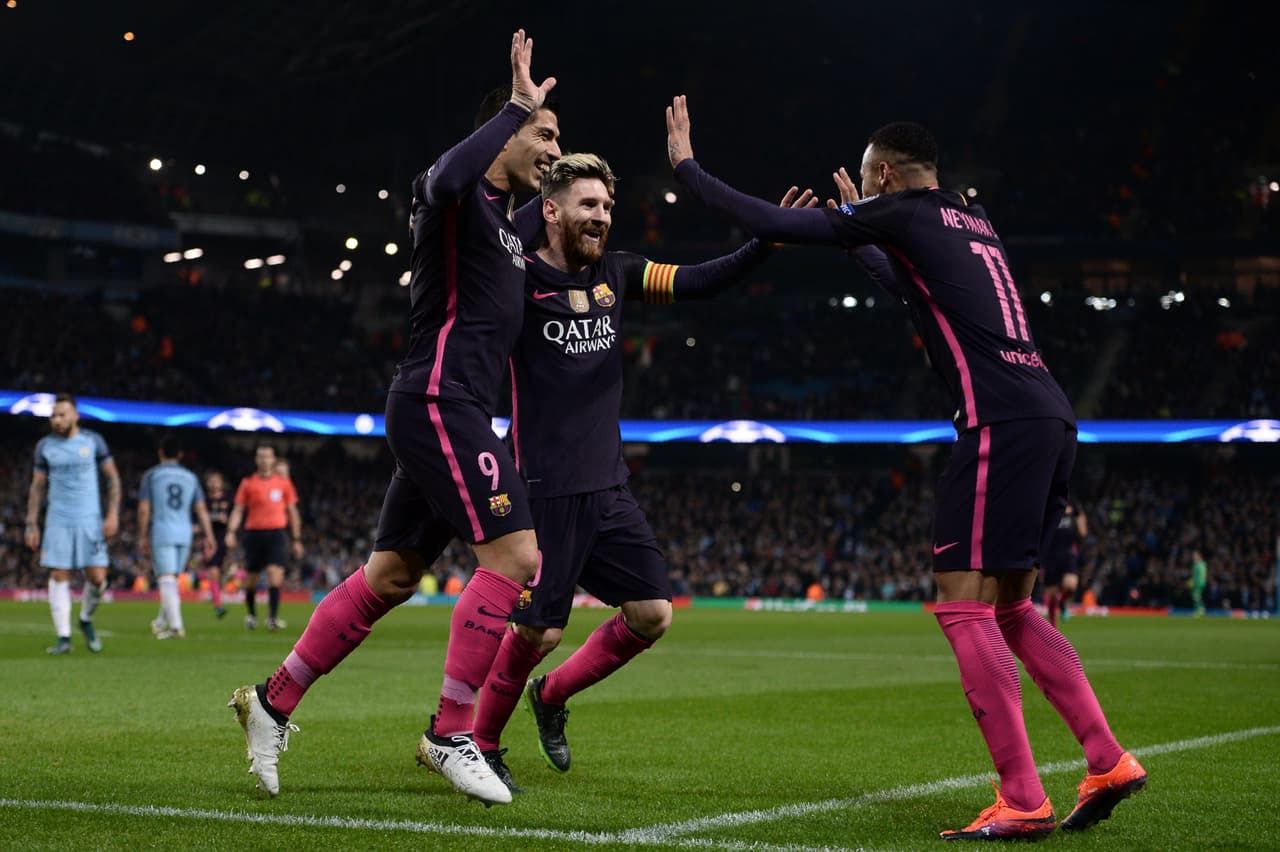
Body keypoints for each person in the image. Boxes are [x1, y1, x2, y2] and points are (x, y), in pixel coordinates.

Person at [664, 96, 1147, 839]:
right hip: (1050, 412)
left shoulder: (905, 211)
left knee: (961, 601)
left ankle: (1021, 796)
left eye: (866, 182)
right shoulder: (969, 218)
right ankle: (1107, 758)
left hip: (1000, 422)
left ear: (884, 174)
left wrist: (689, 170)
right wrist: (865, 235)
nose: (861, 192)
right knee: (1013, 607)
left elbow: (776, 223)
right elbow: (911, 287)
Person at [229, 29, 559, 806]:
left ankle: (272, 702)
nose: (551, 145)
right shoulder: (456, 200)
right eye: (542, 133)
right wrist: (515, 102)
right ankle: (451, 732)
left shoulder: (506, 229)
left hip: (450, 410)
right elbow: (441, 179)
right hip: (440, 402)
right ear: (503, 132)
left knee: (393, 574)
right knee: (516, 559)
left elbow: (555, 221)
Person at [469, 153, 812, 792]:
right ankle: (481, 744)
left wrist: (766, 241)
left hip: (608, 486)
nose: (601, 216)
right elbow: (490, 242)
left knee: (652, 613)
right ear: (551, 210)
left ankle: (550, 697)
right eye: (587, 205)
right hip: (544, 488)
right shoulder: (516, 277)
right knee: (537, 629)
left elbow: (702, 281)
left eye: (605, 205)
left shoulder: (620, 273)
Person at [24, 393, 121, 655]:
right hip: (58, 518)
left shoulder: (93, 441)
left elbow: (113, 479)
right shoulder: (45, 446)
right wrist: (31, 523)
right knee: (58, 575)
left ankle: (85, 618)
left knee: (98, 579)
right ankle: (64, 637)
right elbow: (37, 487)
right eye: (53, 415)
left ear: (75, 415)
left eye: (62, 414)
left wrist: (112, 514)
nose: (56, 420)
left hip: (90, 519)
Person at [138, 435, 216, 639]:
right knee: (172, 579)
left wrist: (142, 535)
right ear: (180, 455)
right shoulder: (190, 477)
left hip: (163, 530)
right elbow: (201, 509)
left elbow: (144, 509)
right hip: (185, 532)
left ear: (160, 452)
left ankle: (176, 627)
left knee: (166, 578)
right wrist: (209, 535)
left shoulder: (152, 475)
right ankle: (162, 621)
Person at [224, 443, 302, 631]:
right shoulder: (248, 483)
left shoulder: (284, 484)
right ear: (256, 460)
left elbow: (293, 511)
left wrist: (297, 538)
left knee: (275, 576)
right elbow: (238, 509)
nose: (264, 460)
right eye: (261, 456)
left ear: (273, 460)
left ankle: (272, 618)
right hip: (254, 534)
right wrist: (231, 531)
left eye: (268, 456)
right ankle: (251, 615)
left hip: (277, 533)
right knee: (252, 579)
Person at [1042, 499, 1086, 627]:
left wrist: (1082, 526)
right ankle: (1053, 626)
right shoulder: (1047, 502)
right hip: (1050, 553)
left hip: (1068, 552)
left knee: (1071, 585)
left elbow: (1082, 529)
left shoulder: (1073, 504)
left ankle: (1062, 602)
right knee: (1052, 595)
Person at [204, 470, 233, 618]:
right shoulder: (204, 501)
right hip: (209, 540)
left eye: (216, 480)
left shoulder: (228, 499)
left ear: (221, 483)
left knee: (221, 571)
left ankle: (216, 595)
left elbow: (234, 518)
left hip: (224, 539)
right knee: (213, 570)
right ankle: (218, 606)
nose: (213, 483)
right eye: (211, 480)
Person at [1190, 548, 1207, 616]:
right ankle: (1201, 609)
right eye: (1193, 555)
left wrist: (1196, 582)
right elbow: (1194, 575)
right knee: (1197, 597)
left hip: (1199, 583)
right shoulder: (1196, 564)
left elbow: (1201, 575)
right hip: (1196, 583)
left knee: (1196, 596)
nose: (1193, 557)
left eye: (1195, 555)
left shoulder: (1201, 564)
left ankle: (1199, 610)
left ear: (1199, 556)